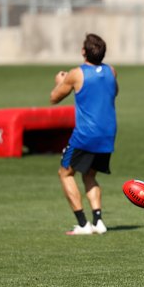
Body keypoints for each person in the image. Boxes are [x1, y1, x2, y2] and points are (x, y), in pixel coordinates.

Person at [50, 33, 119, 235]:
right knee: (89, 174)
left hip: (85, 134)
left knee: (65, 173)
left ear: (83, 51)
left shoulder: (76, 74)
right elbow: (114, 92)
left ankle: (82, 224)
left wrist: (60, 81)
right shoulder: (111, 71)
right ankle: (98, 221)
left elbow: (54, 98)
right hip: (108, 133)